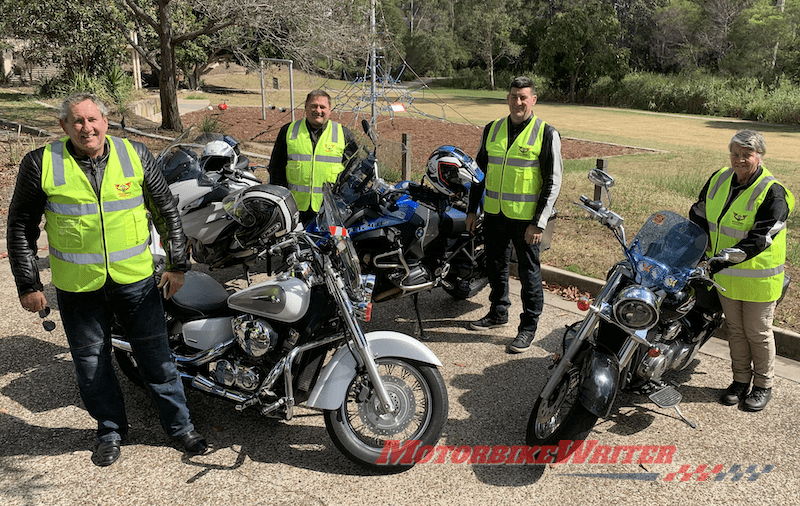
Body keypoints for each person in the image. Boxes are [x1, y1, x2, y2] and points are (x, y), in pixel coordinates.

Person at [6, 92, 208, 466]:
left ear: (106, 121)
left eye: (93, 119)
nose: (87, 128)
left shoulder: (136, 154)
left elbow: (166, 210)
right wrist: (28, 284)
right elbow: (20, 226)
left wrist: (178, 264)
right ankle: (111, 430)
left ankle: (181, 428)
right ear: (64, 126)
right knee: (92, 365)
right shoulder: (41, 163)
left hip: (135, 283)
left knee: (158, 360)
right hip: (78, 288)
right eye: (78, 121)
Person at [690, 129, 794, 411]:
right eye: (735, 154)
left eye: (746, 154)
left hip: (758, 280)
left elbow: (762, 237)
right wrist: (700, 243)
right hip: (725, 276)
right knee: (735, 331)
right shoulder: (719, 178)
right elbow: (699, 211)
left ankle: (763, 385)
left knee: (757, 332)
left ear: (758, 156)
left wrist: (722, 259)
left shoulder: (773, 192)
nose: (739, 160)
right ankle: (739, 381)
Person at [466, 76, 563, 353]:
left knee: (529, 272)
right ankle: (498, 312)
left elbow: (552, 182)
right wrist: (472, 210)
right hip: (494, 214)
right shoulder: (492, 129)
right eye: (513, 96)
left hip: (526, 221)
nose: (517, 102)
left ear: (533, 100)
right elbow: (478, 174)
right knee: (495, 265)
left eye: (523, 97)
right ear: (507, 98)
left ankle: (528, 328)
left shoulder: (545, 133)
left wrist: (538, 223)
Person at [268, 89, 359, 223]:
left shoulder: (343, 134)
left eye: (322, 107)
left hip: (329, 209)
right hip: (295, 208)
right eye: (313, 106)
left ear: (329, 109)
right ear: (305, 107)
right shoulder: (288, 131)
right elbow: (276, 168)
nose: (318, 110)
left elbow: (354, 169)